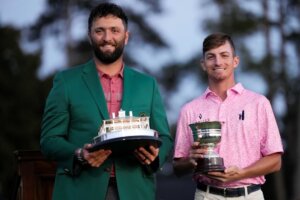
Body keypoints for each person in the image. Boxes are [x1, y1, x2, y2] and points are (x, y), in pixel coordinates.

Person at [40, 2, 173, 200]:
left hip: (134, 190)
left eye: (114, 30)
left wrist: (154, 158)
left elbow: (164, 137)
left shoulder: (148, 85)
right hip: (80, 189)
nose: (107, 38)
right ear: (90, 36)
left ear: (126, 37)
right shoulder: (66, 82)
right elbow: (49, 141)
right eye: (99, 31)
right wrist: (79, 154)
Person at [173, 32, 283, 200]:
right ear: (203, 64)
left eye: (224, 55)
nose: (218, 62)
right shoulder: (189, 109)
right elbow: (177, 167)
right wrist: (191, 161)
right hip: (206, 195)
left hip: (249, 195)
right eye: (211, 57)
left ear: (235, 61)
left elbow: (275, 161)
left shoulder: (258, 103)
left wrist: (242, 173)